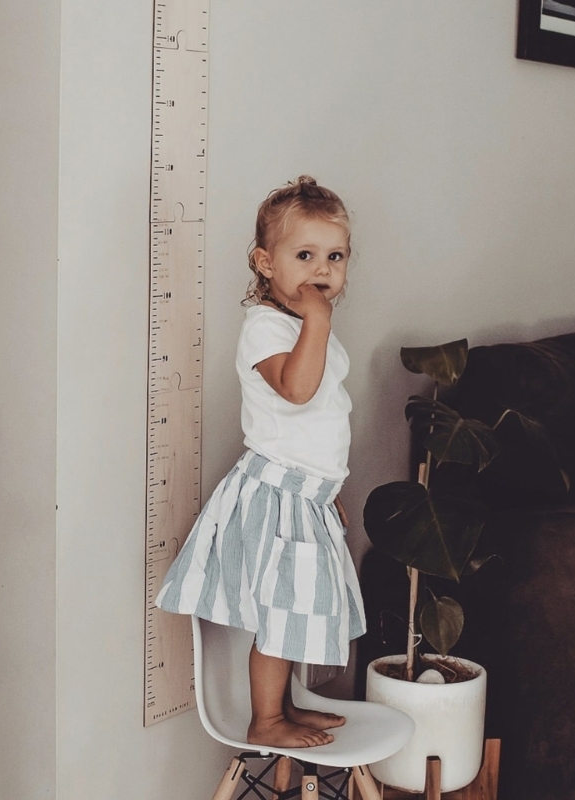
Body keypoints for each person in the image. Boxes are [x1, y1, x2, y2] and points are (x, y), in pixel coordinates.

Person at [155, 175, 365, 748]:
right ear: (266, 263)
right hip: (276, 495)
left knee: (295, 607)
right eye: (305, 255)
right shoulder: (267, 327)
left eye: (335, 256)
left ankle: (286, 705)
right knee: (283, 611)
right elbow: (296, 391)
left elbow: (318, 426)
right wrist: (319, 321)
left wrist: (328, 493)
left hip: (306, 493)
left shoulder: (304, 327)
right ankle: (265, 719)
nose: (322, 270)